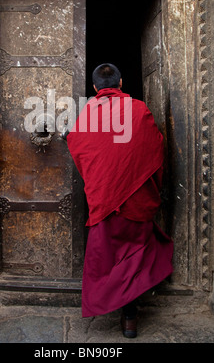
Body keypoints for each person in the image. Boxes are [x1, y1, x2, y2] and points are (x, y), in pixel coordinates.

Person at [66, 63, 173, 338]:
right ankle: (130, 317)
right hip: (136, 199)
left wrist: (103, 180)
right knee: (133, 254)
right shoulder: (139, 109)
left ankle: (121, 311)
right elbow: (156, 146)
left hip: (105, 199)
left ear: (94, 88)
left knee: (110, 257)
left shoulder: (87, 115)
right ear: (121, 82)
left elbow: (77, 147)